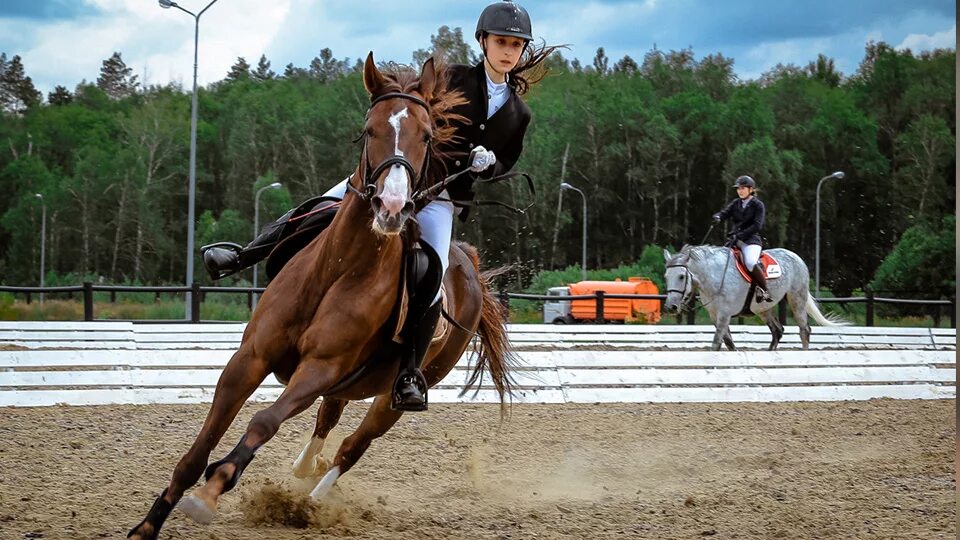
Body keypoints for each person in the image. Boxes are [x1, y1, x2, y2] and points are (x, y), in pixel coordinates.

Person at [202, 0, 560, 411]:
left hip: (440, 199)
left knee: (432, 277)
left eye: (515, 44)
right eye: (501, 41)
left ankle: (409, 372)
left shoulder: (519, 113)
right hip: (397, 177)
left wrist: (488, 162)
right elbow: (410, 106)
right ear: (483, 41)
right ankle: (241, 255)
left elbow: (507, 160)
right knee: (317, 207)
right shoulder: (456, 78)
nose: (508, 51)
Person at [712, 175, 773, 303]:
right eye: (738, 188)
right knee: (720, 261)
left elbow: (757, 225)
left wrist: (740, 235)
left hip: (751, 241)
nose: (740, 191)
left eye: (743, 188)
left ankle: (764, 290)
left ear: (750, 189)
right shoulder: (736, 203)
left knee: (750, 262)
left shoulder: (758, 205)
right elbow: (725, 213)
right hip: (735, 241)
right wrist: (718, 217)